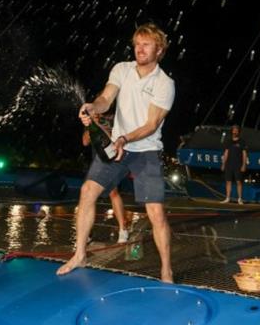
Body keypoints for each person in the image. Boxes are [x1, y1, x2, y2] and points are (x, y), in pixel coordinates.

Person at [57, 23, 175, 282]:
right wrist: (92, 107)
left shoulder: (165, 84)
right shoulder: (122, 69)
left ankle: (166, 269)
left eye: (146, 44)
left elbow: (151, 125)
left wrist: (124, 138)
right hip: (116, 148)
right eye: (136, 44)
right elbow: (106, 99)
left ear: (160, 49)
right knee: (88, 191)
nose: (139, 49)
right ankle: (80, 255)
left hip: (145, 150)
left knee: (155, 212)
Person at [82, 112, 129, 243]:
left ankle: (123, 229)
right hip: (97, 161)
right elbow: (85, 141)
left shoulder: (113, 118)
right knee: (90, 195)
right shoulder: (91, 122)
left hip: (112, 159)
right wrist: (91, 125)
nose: (94, 112)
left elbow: (114, 139)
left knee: (113, 192)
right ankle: (87, 232)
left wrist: (100, 126)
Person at [220, 125, 248, 204]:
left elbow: (244, 154)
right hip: (229, 164)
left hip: (238, 164)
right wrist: (223, 164)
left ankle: (239, 199)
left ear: (239, 132)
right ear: (232, 131)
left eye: (237, 130)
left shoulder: (242, 142)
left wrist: (244, 165)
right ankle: (227, 198)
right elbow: (226, 153)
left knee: (238, 181)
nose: (235, 131)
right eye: (234, 130)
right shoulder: (228, 141)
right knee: (228, 181)